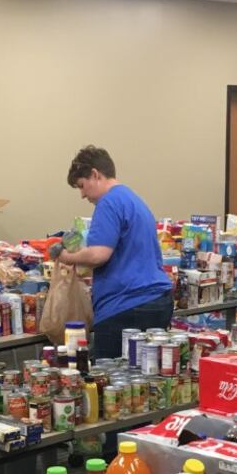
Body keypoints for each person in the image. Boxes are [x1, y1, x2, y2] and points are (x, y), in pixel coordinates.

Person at [57, 146, 172, 359]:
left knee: (109, 379)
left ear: (95, 174)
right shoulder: (132, 199)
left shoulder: (108, 203)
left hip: (126, 306)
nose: (82, 195)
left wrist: (67, 257)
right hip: (156, 300)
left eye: (82, 186)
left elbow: (98, 254)